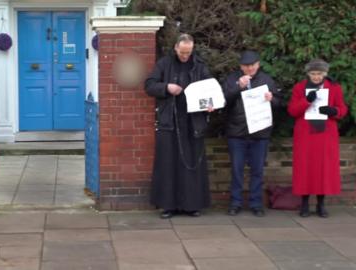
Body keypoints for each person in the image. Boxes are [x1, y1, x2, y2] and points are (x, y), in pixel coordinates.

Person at [144, 33, 213, 219]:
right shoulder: (164, 64)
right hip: (170, 121)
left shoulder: (200, 65)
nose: (185, 56)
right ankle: (168, 206)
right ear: (176, 48)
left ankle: (192, 205)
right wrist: (167, 88)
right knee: (168, 164)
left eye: (188, 52)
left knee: (192, 165)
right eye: (182, 52)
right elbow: (149, 85)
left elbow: (209, 89)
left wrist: (210, 104)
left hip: (193, 121)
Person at [223, 50, 281, 217]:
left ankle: (256, 204)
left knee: (257, 170)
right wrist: (237, 87)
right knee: (237, 170)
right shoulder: (232, 79)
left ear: (258, 64)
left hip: (260, 132)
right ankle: (235, 203)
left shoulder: (266, 80)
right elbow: (223, 101)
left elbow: (279, 103)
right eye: (246, 66)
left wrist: (272, 99)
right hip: (237, 132)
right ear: (241, 66)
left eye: (253, 65)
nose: (249, 69)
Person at [287, 59, 347, 218]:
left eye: (319, 74)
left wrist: (334, 111)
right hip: (305, 134)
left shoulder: (334, 87)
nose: (316, 77)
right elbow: (292, 110)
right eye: (313, 74)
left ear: (325, 74)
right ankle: (304, 204)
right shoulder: (300, 88)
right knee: (304, 168)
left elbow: (342, 108)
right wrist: (306, 100)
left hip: (326, 134)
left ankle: (321, 204)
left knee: (324, 169)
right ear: (308, 74)